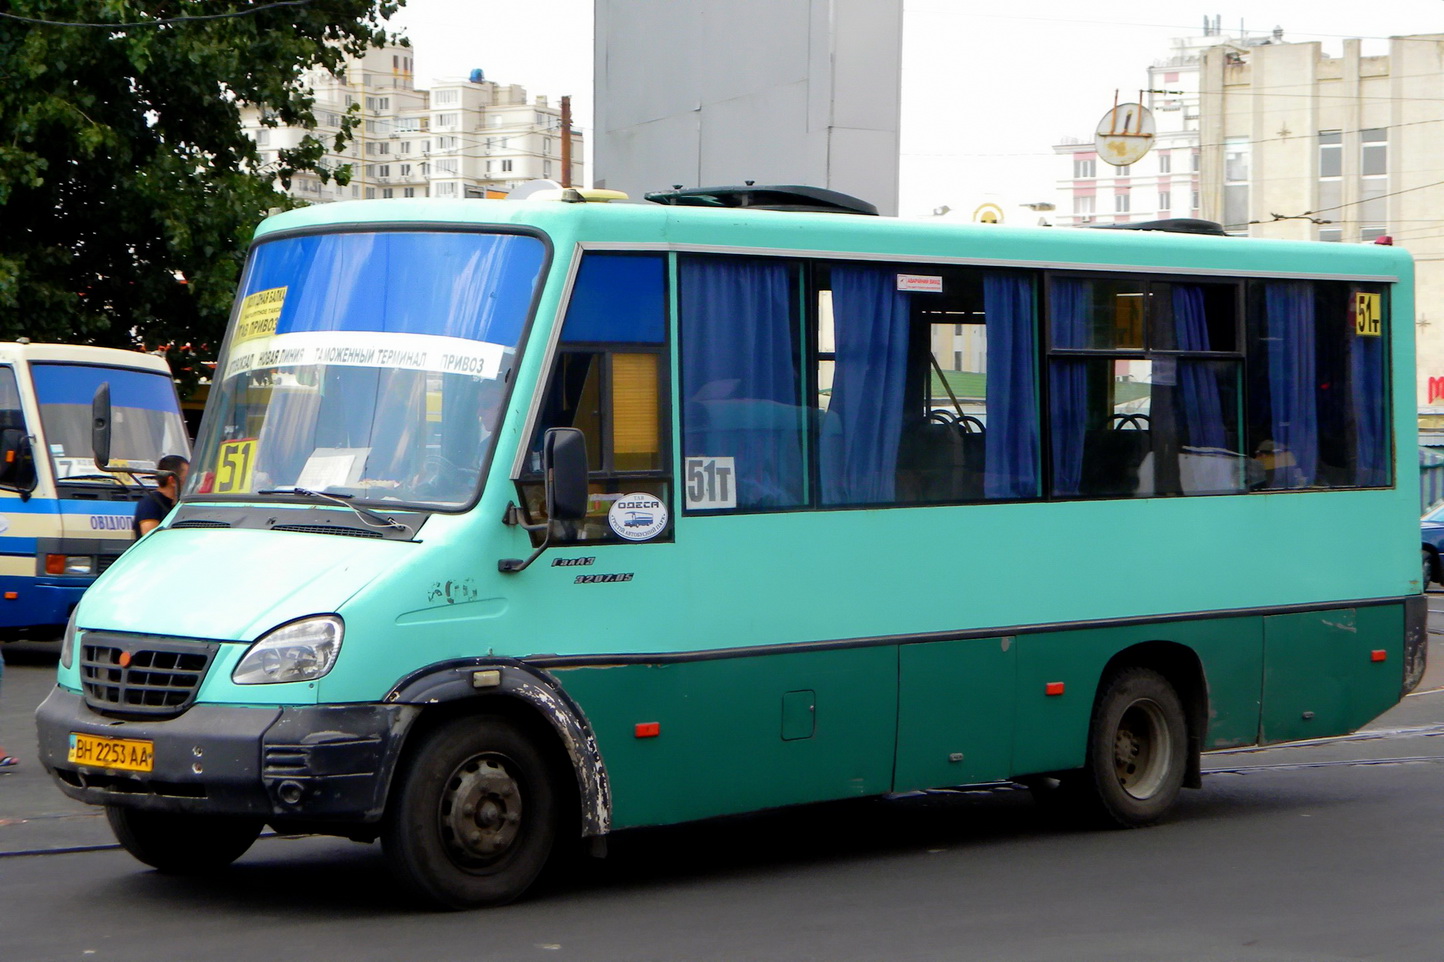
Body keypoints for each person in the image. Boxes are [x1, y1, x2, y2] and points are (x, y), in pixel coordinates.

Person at [133, 454, 189, 539]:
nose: (190, 482)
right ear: (172, 481)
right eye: (187, 478)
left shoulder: (179, 503)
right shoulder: (150, 503)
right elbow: (151, 539)